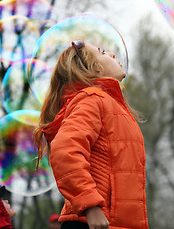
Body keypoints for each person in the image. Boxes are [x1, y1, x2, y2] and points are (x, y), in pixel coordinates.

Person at [34, 41, 149, 229]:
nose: (112, 54)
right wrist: (90, 206)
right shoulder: (92, 100)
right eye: (103, 52)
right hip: (92, 221)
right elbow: (65, 151)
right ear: (95, 69)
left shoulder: (110, 104)